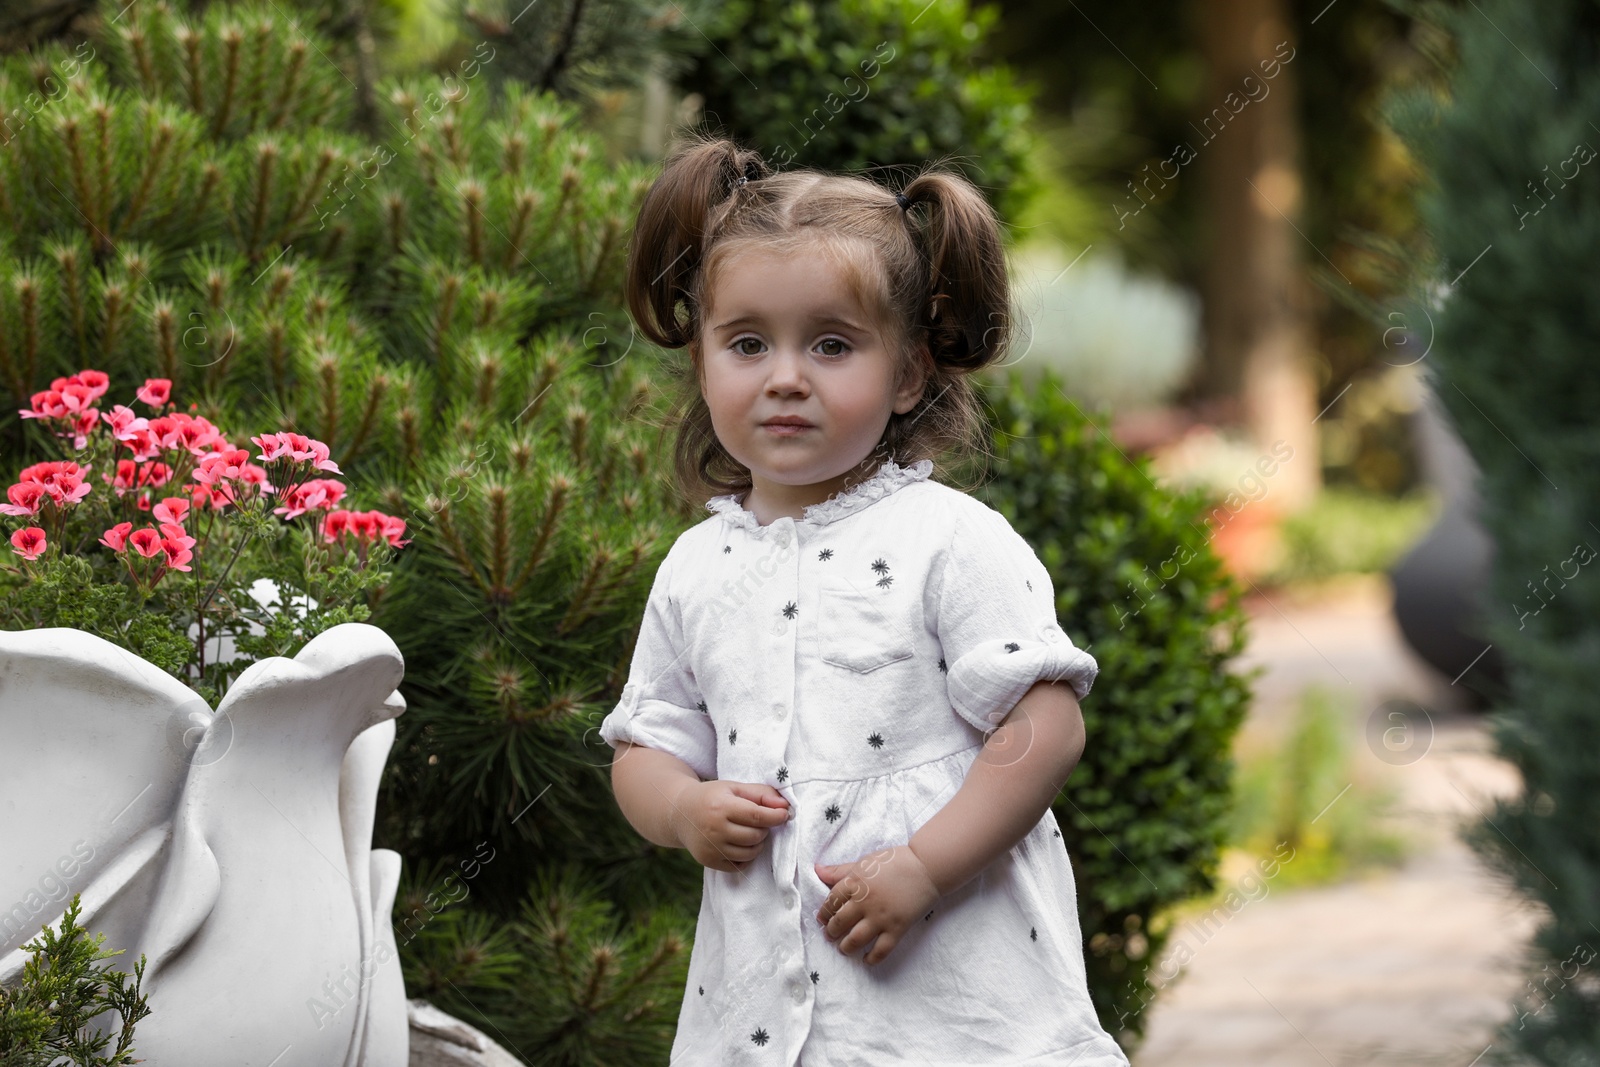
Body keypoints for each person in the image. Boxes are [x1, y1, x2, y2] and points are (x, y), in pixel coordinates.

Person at [599, 131, 1130, 1067]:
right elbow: (646, 743)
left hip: (955, 998)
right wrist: (684, 810)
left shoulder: (949, 540)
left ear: (910, 373)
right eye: (748, 342)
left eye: (833, 344)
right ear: (705, 362)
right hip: (767, 1012)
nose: (786, 375)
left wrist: (926, 864)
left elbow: (1044, 728)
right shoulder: (695, 566)